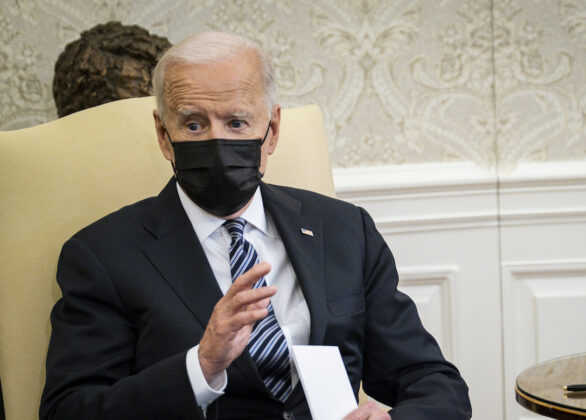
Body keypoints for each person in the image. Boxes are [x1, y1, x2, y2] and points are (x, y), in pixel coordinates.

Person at [40, 32, 472, 420]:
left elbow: (433, 383)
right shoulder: (103, 255)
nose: (216, 141)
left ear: (273, 130)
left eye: (236, 122)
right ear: (162, 133)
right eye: (193, 124)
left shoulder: (344, 230)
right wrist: (202, 364)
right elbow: (69, 410)